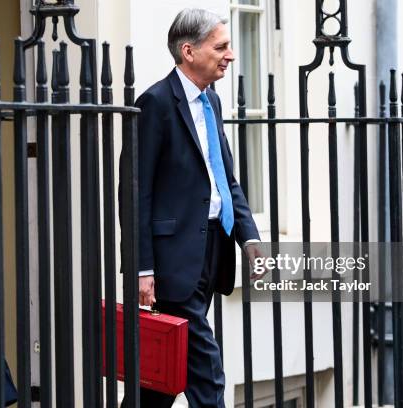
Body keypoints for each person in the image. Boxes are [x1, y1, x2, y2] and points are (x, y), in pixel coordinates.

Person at [120, 8, 263, 407]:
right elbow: (135, 192)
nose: (230, 55)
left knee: (161, 374)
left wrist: (248, 237)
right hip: (171, 260)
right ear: (188, 51)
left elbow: (224, 178)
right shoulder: (155, 103)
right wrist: (141, 268)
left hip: (212, 250)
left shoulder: (211, 101)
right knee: (206, 370)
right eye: (220, 46)